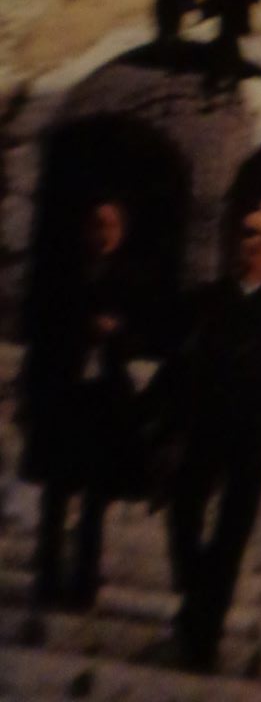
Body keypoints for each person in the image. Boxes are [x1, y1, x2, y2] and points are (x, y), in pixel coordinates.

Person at [151, 198, 261, 671]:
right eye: (249, 232)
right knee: (183, 517)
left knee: (230, 537)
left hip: (250, 437)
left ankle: (204, 636)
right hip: (201, 428)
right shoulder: (206, 302)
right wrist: (162, 419)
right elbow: (177, 362)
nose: (257, 243)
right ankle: (195, 596)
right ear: (236, 240)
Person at [19, 196, 147, 611]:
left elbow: (144, 332)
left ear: (122, 233)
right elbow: (45, 330)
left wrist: (118, 331)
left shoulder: (129, 279)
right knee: (56, 493)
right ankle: (47, 580)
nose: (102, 234)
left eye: (111, 226)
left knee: (95, 497)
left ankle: (84, 585)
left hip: (103, 402)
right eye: (97, 224)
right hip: (65, 396)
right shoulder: (64, 277)